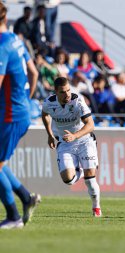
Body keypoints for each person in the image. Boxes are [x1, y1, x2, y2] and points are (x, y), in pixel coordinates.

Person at [0, 2, 41, 229]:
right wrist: (25, 101)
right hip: (19, 111)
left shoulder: (2, 45)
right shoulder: (16, 40)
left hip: (9, 115)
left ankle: (13, 216)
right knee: (0, 162)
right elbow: (33, 72)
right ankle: (26, 198)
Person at [41, 77, 102, 217]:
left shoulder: (77, 101)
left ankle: (96, 207)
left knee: (91, 180)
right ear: (56, 92)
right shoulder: (49, 103)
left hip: (85, 141)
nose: (67, 94)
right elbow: (44, 115)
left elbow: (90, 125)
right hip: (64, 143)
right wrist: (50, 135)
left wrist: (75, 135)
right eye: (63, 92)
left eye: (68, 90)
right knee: (68, 180)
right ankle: (80, 170)